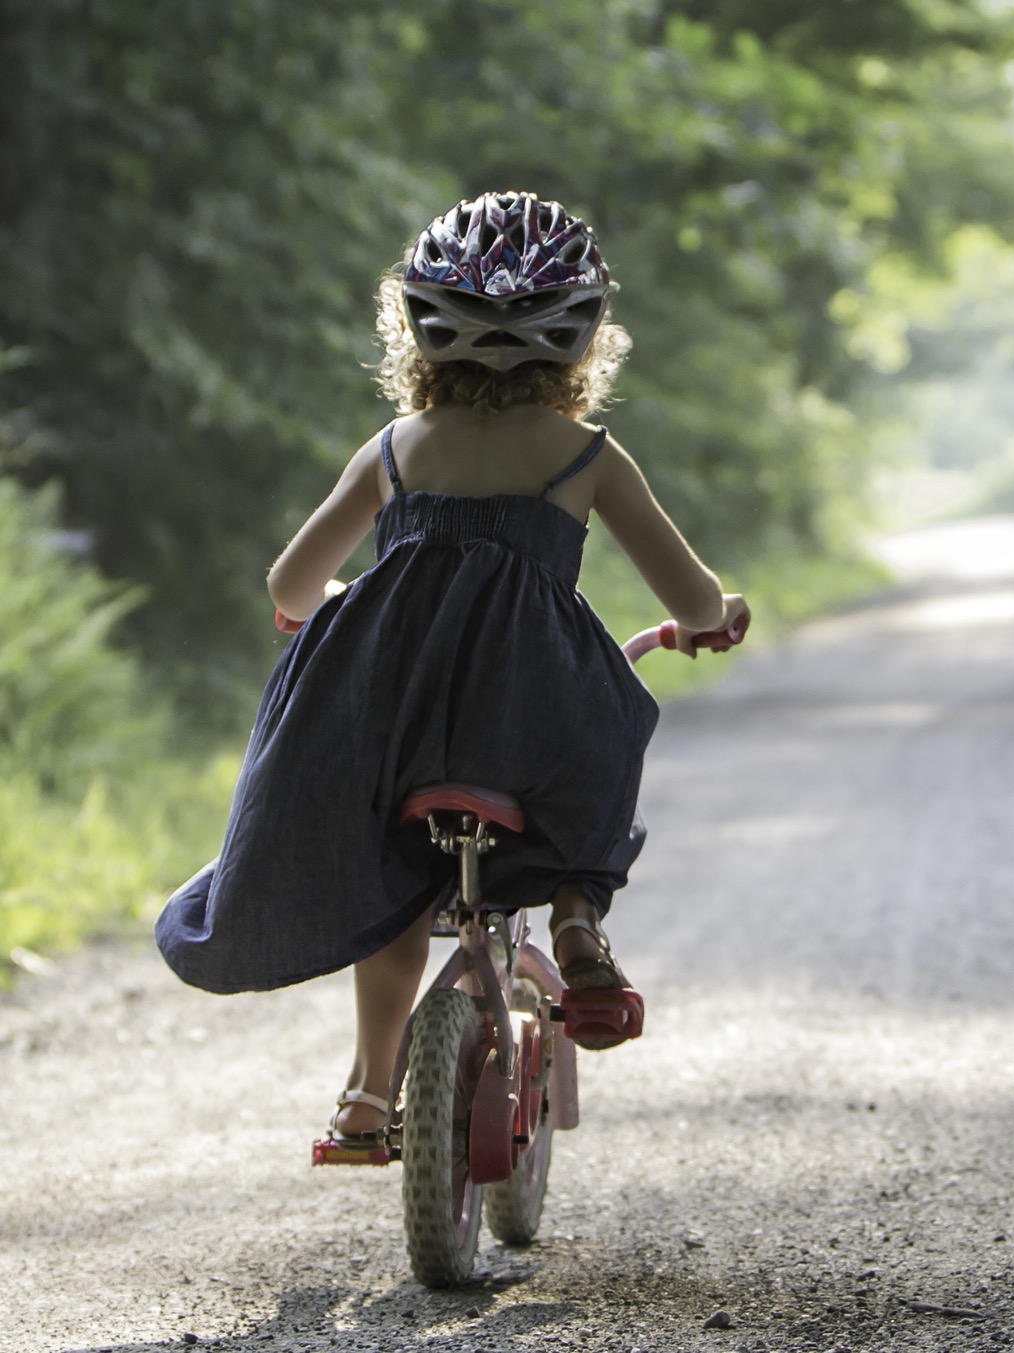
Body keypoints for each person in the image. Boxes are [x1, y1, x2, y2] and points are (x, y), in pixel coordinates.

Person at [155, 192, 749, 1149]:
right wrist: (714, 620)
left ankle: (366, 1093)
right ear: (582, 343)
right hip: (535, 715)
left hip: (390, 725)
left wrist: (339, 608)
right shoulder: (585, 455)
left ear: (419, 336)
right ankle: (573, 916)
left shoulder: (395, 449)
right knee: (603, 745)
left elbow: (292, 583)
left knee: (394, 878)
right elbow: (688, 594)